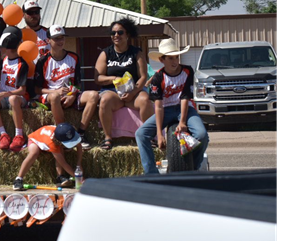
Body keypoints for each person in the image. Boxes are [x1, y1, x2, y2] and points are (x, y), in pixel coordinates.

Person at [136, 39, 209, 174]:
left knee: (201, 135)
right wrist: (159, 134)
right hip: (166, 110)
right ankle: (151, 173)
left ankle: (195, 165)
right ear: (162, 60)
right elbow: (158, 106)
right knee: (141, 134)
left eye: (176, 57)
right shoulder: (158, 77)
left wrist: (182, 122)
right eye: (170, 58)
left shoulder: (187, 71)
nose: (175, 61)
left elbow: (185, 97)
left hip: (185, 108)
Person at [33, 25, 100, 149]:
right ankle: (63, 134)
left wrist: (73, 95)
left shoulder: (74, 57)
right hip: (50, 96)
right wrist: (56, 92)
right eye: (56, 38)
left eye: (62, 38)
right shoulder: (42, 61)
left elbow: (78, 84)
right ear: (48, 41)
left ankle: (81, 133)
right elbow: (37, 89)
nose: (60, 41)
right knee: (54, 97)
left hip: (70, 94)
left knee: (94, 95)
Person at [95, 17, 153, 151]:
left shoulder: (136, 52)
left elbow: (143, 76)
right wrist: (114, 78)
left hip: (134, 92)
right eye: (113, 33)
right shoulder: (105, 53)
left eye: (120, 32)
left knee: (145, 99)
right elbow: (98, 78)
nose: (116, 35)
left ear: (127, 35)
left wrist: (133, 93)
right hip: (113, 92)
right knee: (104, 100)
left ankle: (148, 137)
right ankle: (108, 138)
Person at [0, 31, 30, 152]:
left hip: (17, 98)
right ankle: (3, 134)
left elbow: (22, 90)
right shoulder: (4, 59)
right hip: (4, 97)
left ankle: (19, 135)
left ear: (7, 49)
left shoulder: (22, 64)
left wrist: (5, 94)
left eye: (1, 47)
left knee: (12, 99)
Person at [13, 122, 84, 190]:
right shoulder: (52, 143)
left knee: (60, 150)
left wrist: (79, 164)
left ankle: (60, 177)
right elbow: (64, 164)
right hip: (35, 140)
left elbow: (79, 146)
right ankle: (18, 179)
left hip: (48, 140)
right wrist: (79, 178)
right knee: (34, 153)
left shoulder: (68, 132)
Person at [22, 0, 50, 104]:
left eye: (36, 12)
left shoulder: (49, 33)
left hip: (45, 77)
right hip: (27, 79)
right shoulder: (19, 35)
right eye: (30, 13)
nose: (34, 15)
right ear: (23, 15)